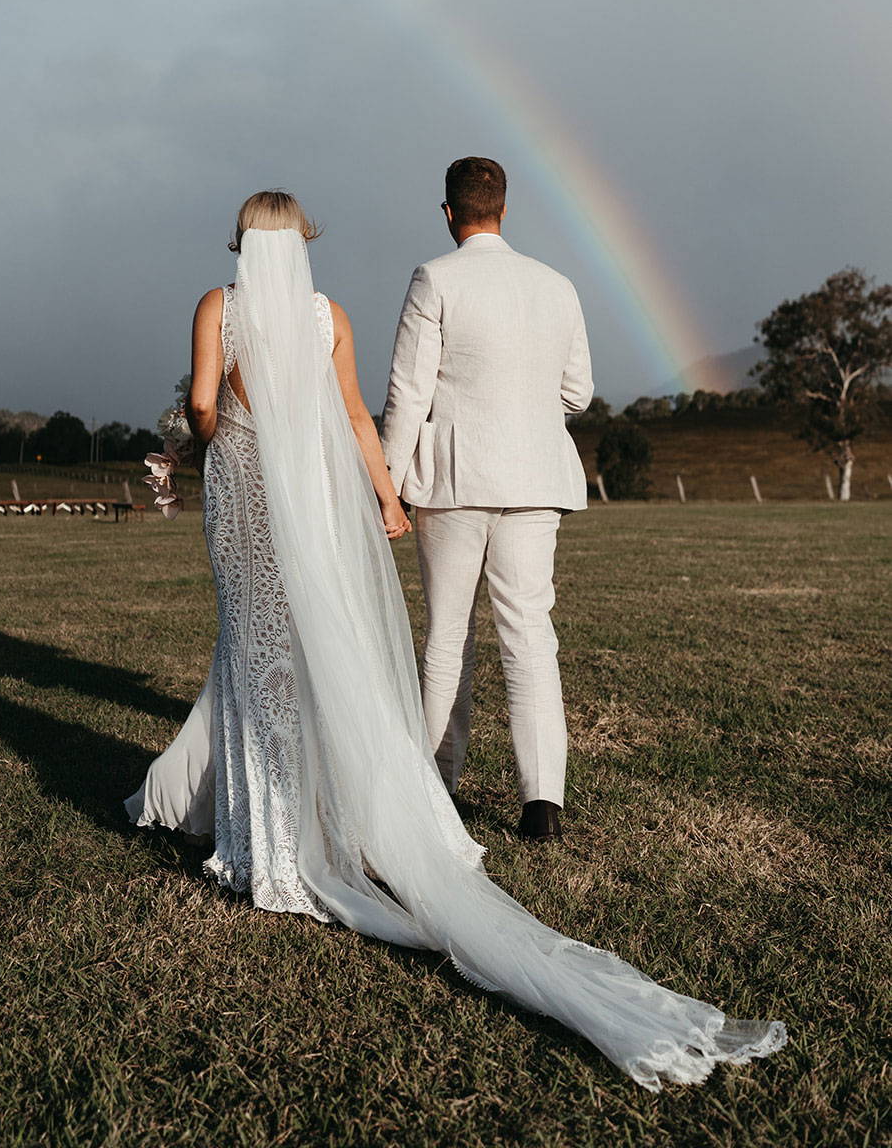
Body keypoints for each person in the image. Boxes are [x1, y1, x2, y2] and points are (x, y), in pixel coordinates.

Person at [125, 189, 786, 1091]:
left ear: (244, 242)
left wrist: (199, 431)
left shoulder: (229, 305)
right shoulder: (342, 313)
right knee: (480, 642)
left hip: (266, 490)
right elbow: (367, 413)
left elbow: (210, 408)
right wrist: (383, 498)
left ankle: (286, 834)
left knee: (282, 650)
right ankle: (487, 799)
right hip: (401, 488)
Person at [380, 156, 590, 842]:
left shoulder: (435, 278)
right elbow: (576, 393)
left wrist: (385, 481)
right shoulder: (555, 284)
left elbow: (408, 393)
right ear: (503, 208)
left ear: (448, 213)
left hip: (454, 479)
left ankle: (436, 786)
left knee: (447, 634)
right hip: (535, 477)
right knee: (529, 635)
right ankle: (542, 805)